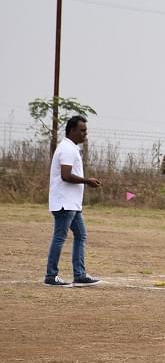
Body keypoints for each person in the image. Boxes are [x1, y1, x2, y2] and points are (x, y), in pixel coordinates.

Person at [44, 115, 102, 286]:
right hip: (64, 202)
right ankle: (51, 275)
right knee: (60, 237)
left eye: (86, 131)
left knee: (81, 235)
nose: (85, 134)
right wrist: (87, 181)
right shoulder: (67, 149)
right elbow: (66, 175)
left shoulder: (71, 148)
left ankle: (80, 274)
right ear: (72, 130)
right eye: (82, 130)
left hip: (72, 204)